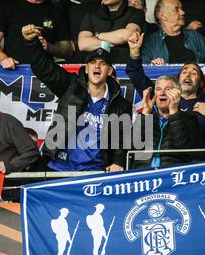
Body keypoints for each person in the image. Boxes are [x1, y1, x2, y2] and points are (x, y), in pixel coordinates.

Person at [22, 24, 133, 172]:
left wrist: (118, 162)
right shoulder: (71, 86)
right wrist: (30, 42)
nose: (97, 67)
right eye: (92, 63)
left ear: (109, 70)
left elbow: (121, 140)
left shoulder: (121, 104)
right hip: (57, 168)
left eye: (102, 63)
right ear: (86, 69)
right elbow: (44, 69)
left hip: (94, 174)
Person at [127, 32, 205, 161]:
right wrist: (134, 53)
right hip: (160, 164)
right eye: (184, 72)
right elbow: (136, 74)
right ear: (177, 82)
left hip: (194, 170)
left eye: (194, 73)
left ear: (200, 83)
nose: (188, 75)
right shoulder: (162, 98)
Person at [0, 0, 72, 69]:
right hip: (14, 71)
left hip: (46, 73)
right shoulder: (9, 8)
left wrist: (49, 47)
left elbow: (68, 50)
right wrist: (3, 58)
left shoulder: (56, 12)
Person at [131, 77, 197, 169]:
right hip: (142, 175)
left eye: (168, 89)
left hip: (170, 176)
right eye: (159, 89)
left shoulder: (189, 119)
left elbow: (182, 147)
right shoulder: (145, 116)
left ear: (177, 94)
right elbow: (132, 145)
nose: (162, 93)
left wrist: (174, 112)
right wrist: (145, 112)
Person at [78, 0, 145, 64]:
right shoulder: (91, 14)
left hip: (124, 67)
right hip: (96, 67)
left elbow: (127, 35)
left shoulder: (136, 13)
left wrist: (97, 36)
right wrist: (109, 44)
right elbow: (83, 44)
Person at [141, 0, 205, 65]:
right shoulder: (151, 41)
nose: (182, 12)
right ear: (163, 16)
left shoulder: (195, 36)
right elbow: (144, 67)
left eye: (181, 9)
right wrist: (153, 64)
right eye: (176, 9)